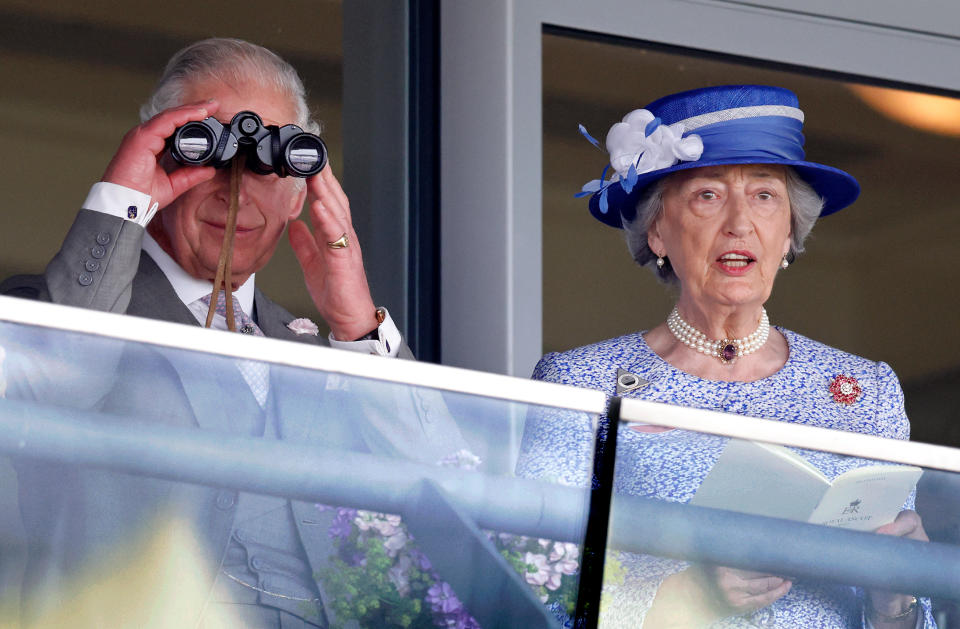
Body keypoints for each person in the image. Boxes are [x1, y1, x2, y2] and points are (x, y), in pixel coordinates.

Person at [1, 38, 466, 628]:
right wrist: (121, 201)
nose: (236, 186)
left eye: (271, 162)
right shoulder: (57, 307)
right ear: (160, 161)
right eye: (209, 152)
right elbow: (46, 388)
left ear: (300, 188)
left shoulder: (323, 354)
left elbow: (448, 485)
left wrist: (356, 326)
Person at [517, 85, 934, 628]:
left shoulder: (866, 389)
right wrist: (688, 595)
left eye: (765, 196)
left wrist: (895, 598)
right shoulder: (579, 382)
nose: (740, 222)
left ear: (788, 234)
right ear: (658, 231)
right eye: (707, 195)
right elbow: (534, 593)